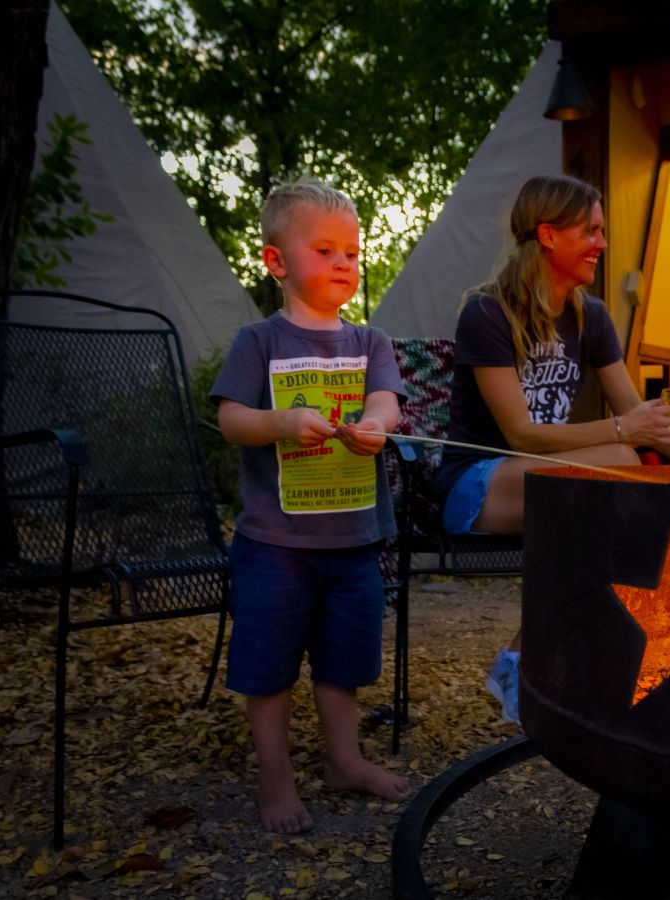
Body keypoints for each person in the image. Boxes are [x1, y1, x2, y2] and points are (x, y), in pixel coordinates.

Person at [434, 174, 670, 723]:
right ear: (549, 234)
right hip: (479, 483)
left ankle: (529, 654)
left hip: (551, 480)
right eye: (592, 231)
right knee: (621, 474)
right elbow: (522, 435)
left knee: (628, 498)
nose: (602, 244)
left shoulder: (592, 315)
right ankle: (539, 657)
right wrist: (626, 431)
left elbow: (634, 412)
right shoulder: (487, 315)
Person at [211, 178, 413, 833]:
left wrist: (377, 423)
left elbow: (387, 401)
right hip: (275, 544)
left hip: (355, 540)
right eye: (324, 250)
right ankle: (276, 778)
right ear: (276, 262)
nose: (344, 263)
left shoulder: (370, 342)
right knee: (268, 668)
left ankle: (344, 760)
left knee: (342, 662)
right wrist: (280, 422)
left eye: (352, 252)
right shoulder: (259, 343)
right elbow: (233, 421)